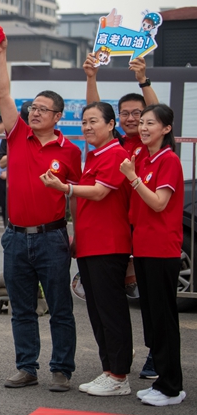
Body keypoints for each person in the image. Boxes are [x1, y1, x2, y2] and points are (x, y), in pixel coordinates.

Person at [0, 39, 83, 392]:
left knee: (60, 308)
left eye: (43, 109)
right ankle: (26, 367)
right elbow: (3, 94)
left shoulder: (71, 152)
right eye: (32, 107)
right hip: (16, 236)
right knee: (22, 309)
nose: (34, 112)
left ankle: (61, 369)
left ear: (58, 116)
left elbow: (76, 197)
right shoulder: (18, 136)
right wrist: (2, 55)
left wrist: (77, 236)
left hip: (52, 237)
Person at [40, 102, 133, 396]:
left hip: (109, 243)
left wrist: (65, 188)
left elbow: (100, 192)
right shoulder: (94, 155)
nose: (88, 127)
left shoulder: (116, 153)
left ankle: (119, 375)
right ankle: (109, 371)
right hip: (92, 243)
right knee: (97, 311)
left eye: (94, 121)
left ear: (111, 124)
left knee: (111, 311)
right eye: (84, 122)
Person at [84, 52, 161, 377]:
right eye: (126, 114)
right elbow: (97, 114)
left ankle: (156, 357)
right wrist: (91, 76)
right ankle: (117, 364)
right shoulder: (115, 145)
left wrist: (143, 80)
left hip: (147, 231)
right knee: (114, 303)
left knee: (153, 302)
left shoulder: (147, 145)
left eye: (138, 115)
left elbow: (159, 115)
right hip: (118, 231)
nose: (133, 120)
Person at [119, 104, 187, 406]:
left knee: (163, 318)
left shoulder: (168, 160)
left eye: (150, 123)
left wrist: (133, 179)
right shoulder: (143, 158)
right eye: (142, 122)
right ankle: (162, 380)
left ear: (166, 129)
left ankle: (172, 386)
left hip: (162, 248)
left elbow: (159, 203)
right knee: (151, 317)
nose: (143, 127)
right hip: (144, 247)